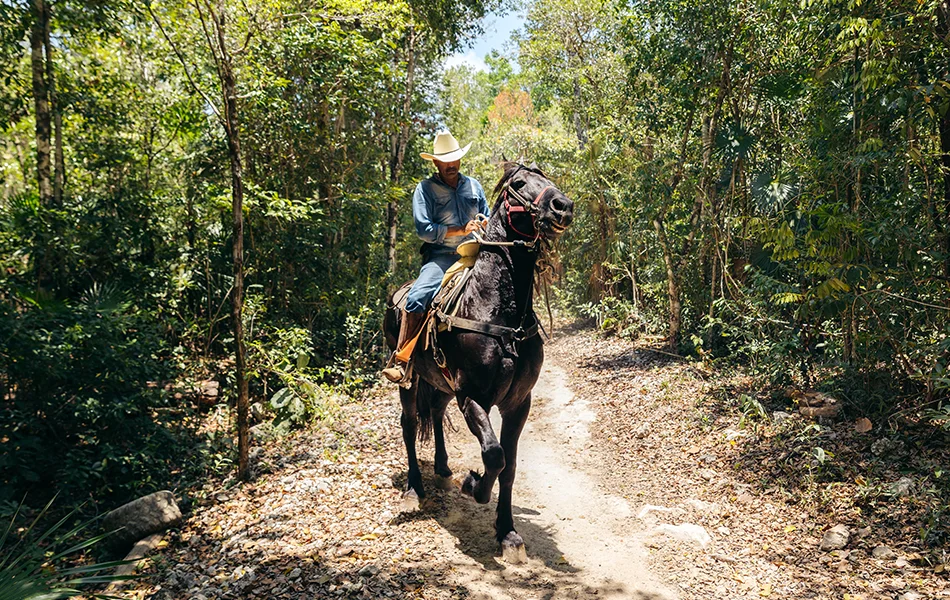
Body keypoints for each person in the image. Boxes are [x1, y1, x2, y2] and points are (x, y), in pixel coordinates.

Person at [382, 130, 489, 383]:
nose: (451, 165)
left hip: (477, 251)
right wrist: (460, 230)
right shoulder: (425, 189)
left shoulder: (474, 186)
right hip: (442, 257)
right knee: (418, 297)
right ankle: (403, 360)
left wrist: (485, 224)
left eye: (455, 159)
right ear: (435, 163)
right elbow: (424, 230)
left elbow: (487, 217)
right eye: (445, 160)